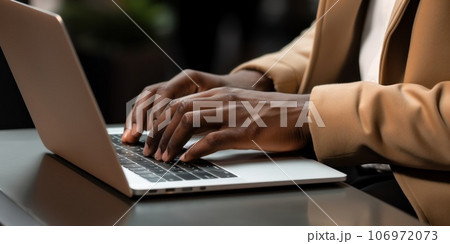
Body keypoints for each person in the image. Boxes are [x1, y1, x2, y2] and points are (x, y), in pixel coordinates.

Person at [122, 0, 450, 225]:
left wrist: (307, 114)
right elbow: (347, 28)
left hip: (422, 193)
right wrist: (262, 79)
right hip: (352, 160)